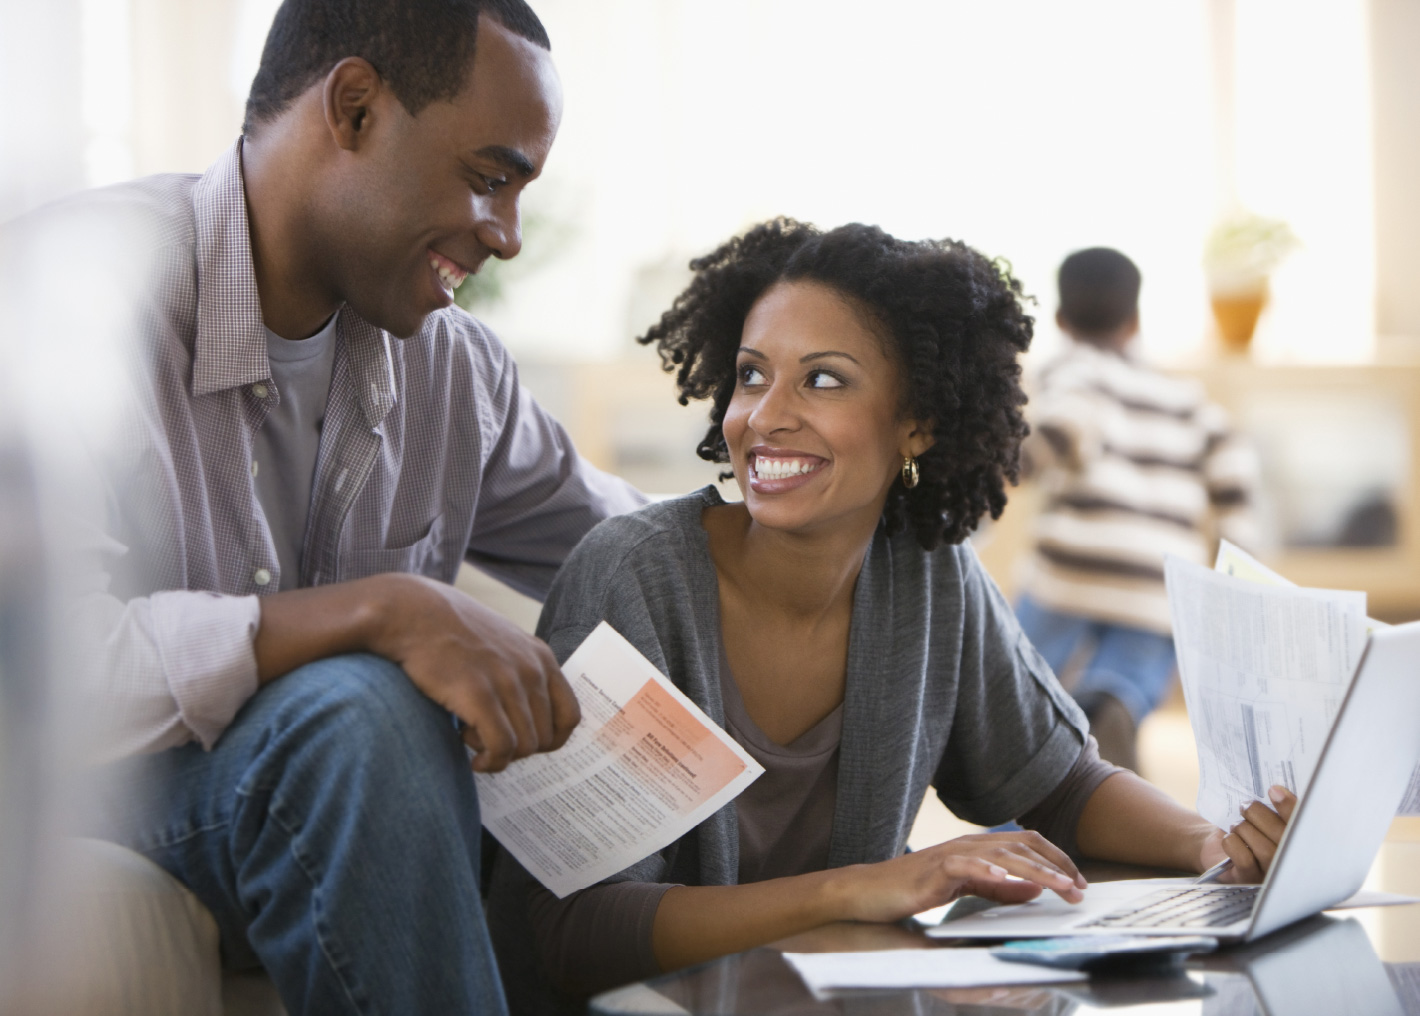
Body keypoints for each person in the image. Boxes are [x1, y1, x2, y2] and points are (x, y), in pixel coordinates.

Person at [6, 1, 643, 1012]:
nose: (510, 238)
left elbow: (624, 540)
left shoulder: (452, 367)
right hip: (96, 785)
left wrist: (836, 521)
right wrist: (385, 609)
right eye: (488, 178)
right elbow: (48, 667)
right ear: (351, 108)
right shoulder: (73, 300)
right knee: (360, 715)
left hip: (322, 791)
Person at [486, 219, 1293, 1012]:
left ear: (918, 423)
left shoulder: (929, 571)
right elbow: (572, 932)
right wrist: (861, 889)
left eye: (823, 380)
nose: (765, 415)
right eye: (752, 375)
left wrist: (1211, 847)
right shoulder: (632, 578)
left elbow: (1062, 782)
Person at [1015, 248, 1259, 769]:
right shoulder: (1184, 396)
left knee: (1020, 682)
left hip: (1074, 565)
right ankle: (1113, 704)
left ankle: (1023, 767)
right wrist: (1239, 564)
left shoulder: (1074, 370)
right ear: (1136, 321)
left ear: (1060, 321)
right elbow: (1233, 461)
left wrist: (1005, 469)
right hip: (1158, 576)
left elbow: (1068, 427)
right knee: (1134, 670)